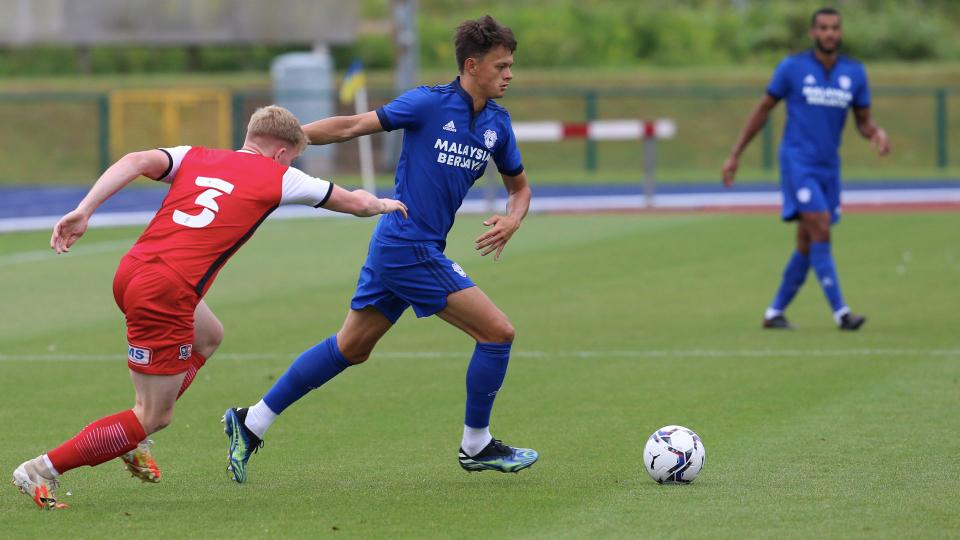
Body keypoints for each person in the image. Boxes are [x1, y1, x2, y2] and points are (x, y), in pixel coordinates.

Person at [11, 105, 407, 510]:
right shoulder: (281, 175)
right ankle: (41, 469)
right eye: (293, 156)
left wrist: (86, 209)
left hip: (133, 270)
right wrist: (382, 204)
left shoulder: (196, 155)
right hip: (166, 292)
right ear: (281, 153)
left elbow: (134, 160)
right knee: (153, 415)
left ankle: (131, 437)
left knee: (209, 335)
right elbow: (356, 203)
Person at [222, 15, 537, 484]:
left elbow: (520, 188)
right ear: (472, 65)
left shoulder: (497, 124)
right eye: (501, 66)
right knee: (497, 333)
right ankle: (477, 445)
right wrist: (283, 144)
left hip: (405, 246)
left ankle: (251, 422)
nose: (509, 74)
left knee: (351, 347)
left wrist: (514, 217)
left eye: (511, 66)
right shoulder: (429, 104)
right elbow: (352, 125)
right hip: (407, 245)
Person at [722, 7, 890, 330]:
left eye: (834, 28)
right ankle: (842, 313)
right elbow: (763, 109)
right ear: (813, 33)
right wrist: (735, 154)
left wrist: (877, 133)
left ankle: (774, 313)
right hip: (797, 161)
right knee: (821, 225)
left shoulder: (855, 74)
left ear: (840, 33)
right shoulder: (792, 68)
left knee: (807, 241)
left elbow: (864, 123)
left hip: (829, 167)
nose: (829, 33)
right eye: (823, 28)